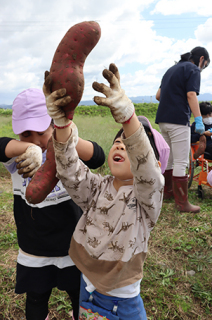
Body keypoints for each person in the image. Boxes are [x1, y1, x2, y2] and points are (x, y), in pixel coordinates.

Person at [45, 63, 167, 320]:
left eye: (129, 143)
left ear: (155, 164)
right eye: (118, 141)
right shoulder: (99, 186)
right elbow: (69, 171)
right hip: (86, 285)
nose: (121, 143)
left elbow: (145, 168)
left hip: (119, 301)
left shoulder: (147, 197)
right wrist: (61, 123)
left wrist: (129, 117)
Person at [0, 88, 105, 320]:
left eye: (42, 131)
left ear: (53, 125)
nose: (36, 139)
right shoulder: (17, 159)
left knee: (78, 294)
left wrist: (67, 141)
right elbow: (0, 144)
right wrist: (29, 149)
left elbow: (98, 157)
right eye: (26, 134)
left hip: (73, 246)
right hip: (34, 249)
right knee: (36, 298)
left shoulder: (68, 151)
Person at [155, 46, 210, 213]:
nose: (203, 68)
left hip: (162, 120)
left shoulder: (171, 70)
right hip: (178, 120)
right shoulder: (193, 69)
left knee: (169, 159)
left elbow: (158, 95)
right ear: (201, 60)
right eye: (205, 65)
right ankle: (182, 203)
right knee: (181, 161)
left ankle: (168, 193)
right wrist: (198, 119)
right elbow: (191, 95)